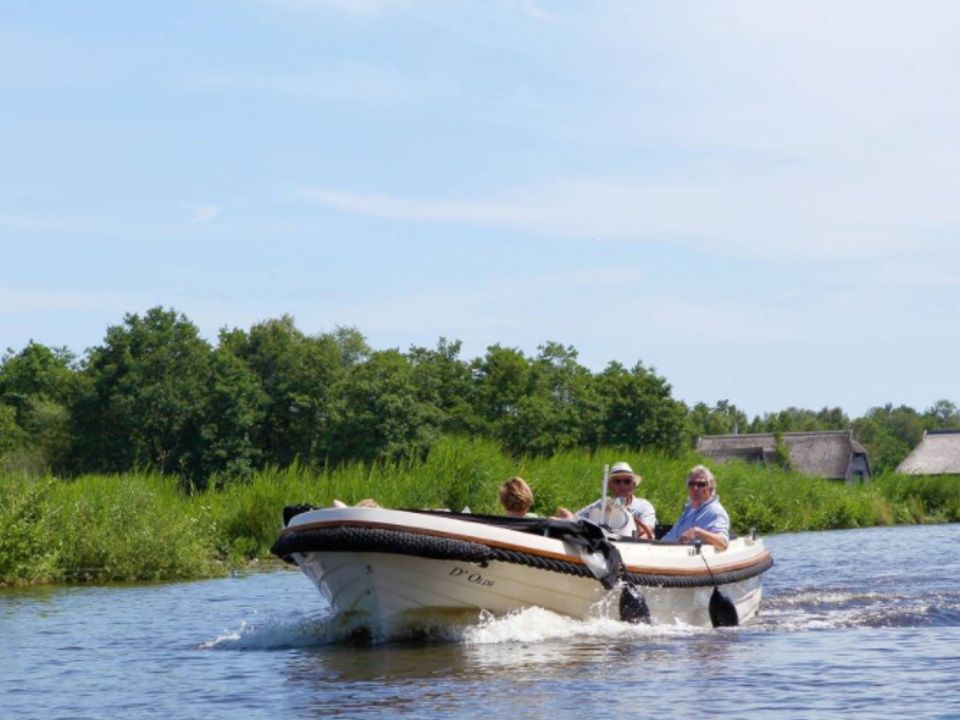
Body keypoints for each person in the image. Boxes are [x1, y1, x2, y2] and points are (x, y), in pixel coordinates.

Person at [555, 461, 656, 539]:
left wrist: (628, 515)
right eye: (617, 481)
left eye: (627, 481)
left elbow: (647, 533)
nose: (622, 485)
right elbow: (576, 518)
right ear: (610, 485)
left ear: (633, 485)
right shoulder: (603, 504)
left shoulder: (644, 506)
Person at [662, 464, 729, 551]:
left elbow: (723, 543)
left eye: (701, 484)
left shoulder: (716, 511)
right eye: (691, 484)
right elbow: (671, 536)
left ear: (710, 487)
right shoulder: (688, 510)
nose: (695, 488)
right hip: (671, 555)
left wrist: (697, 532)